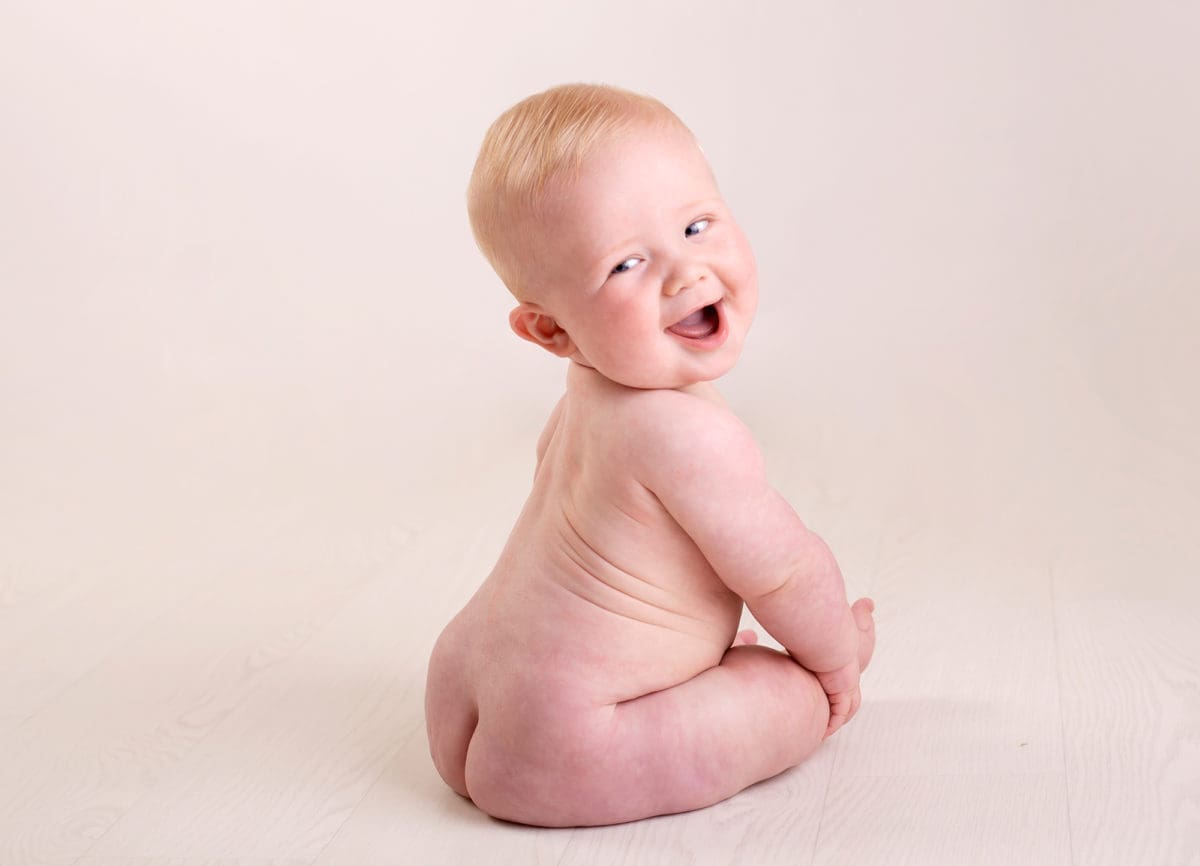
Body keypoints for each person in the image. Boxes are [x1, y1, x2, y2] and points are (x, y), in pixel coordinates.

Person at [424, 82, 876, 828]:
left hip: (458, 692)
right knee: (791, 697)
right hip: (570, 740)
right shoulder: (686, 432)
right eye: (626, 265)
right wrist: (833, 659)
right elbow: (786, 569)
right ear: (552, 332)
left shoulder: (582, 403)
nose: (686, 273)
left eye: (698, 226)